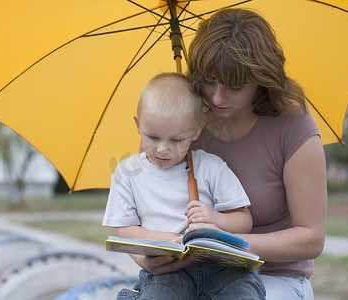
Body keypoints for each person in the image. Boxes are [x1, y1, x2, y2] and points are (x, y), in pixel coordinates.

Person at [130, 9, 327, 300]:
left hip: (275, 277)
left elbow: (311, 238)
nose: (218, 98)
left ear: (261, 79)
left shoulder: (293, 125)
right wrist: (146, 259)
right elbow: (138, 218)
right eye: (210, 81)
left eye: (235, 86)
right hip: (185, 276)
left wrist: (224, 242)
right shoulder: (176, 121)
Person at [103, 72, 266, 299]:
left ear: (196, 131)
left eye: (177, 140)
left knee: (242, 292)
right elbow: (125, 230)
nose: (163, 149)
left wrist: (215, 219)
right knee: (158, 295)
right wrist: (167, 239)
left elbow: (244, 219)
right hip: (166, 271)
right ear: (138, 125)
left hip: (220, 269)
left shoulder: (211, 167)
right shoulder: (126, 173)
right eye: (153, 137)